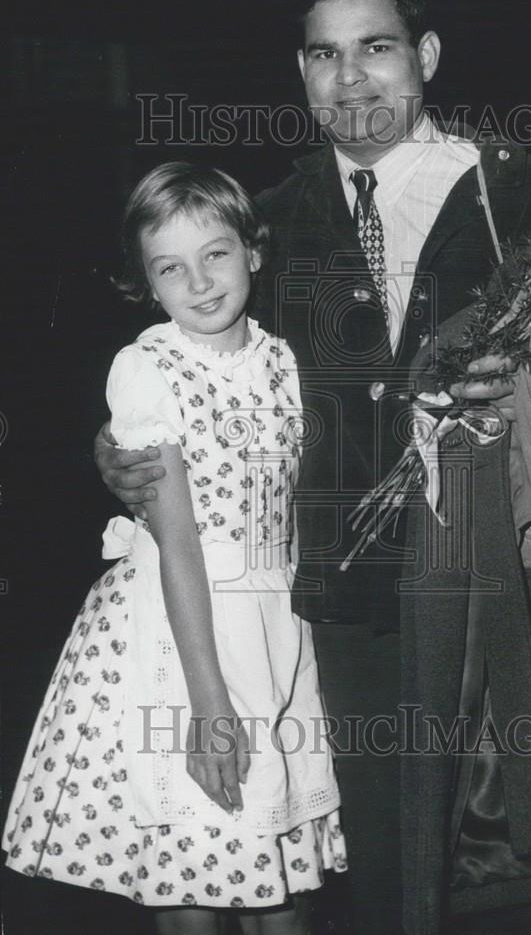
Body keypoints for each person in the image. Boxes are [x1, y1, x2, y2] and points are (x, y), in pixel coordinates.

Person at [94, 0, 531, 935]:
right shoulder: (260, 221)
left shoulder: (521, 198)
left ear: (426, 57)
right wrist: (114, 450)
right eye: (324, 54)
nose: (350, 79)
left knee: (517, 863)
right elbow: (194, 371)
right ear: (301, 75)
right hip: (331, 606)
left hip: (495, 587)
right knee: (368, 863)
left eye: (376, 47)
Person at [3, 162, 347, 935]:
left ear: (254, 252)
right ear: (146, 283)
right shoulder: (147, 370)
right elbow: (179, 546)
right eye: (170, 267)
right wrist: (210, 702)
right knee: (191, 873)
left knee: (276, 874)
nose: (198, 282)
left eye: (215, 254)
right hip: (177, 633)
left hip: (274, 625)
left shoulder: (285, 363)